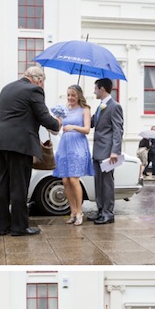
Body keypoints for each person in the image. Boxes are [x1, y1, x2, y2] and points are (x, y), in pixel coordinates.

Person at [0, 63, 61, 237]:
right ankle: (19, 227)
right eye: (42, 83)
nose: (42, 86)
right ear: (38, 79)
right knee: (19, 185)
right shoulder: (33, 90)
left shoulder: (7, 88)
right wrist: (56, 123)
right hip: (19, 143)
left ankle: (3, 226)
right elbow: (43, 116)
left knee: (1, 185)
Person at [52, 83, 93, 225]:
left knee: (74, 179)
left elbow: (87, 129)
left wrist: (73, 127)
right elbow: (56, 131)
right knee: (65, 180)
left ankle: (80, 211)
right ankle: (73, 211)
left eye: (73, 95)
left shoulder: (85, 109)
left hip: (78, 145)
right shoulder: (63, 110)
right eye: (68, 95)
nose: (70, 98)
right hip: (64, 146)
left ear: (79, 96)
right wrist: (53, 124)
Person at [92, 77, 124, 225]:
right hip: (97, 151)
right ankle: (100, 211)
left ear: (102, 89)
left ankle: (108, 213)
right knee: (98, 182)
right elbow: (92, 123)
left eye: (95, 88)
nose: (94, 91)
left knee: (107, 183)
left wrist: (115, 151)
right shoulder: (100, 106)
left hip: (107, 152)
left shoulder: (115, 106)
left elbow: (118, 130)